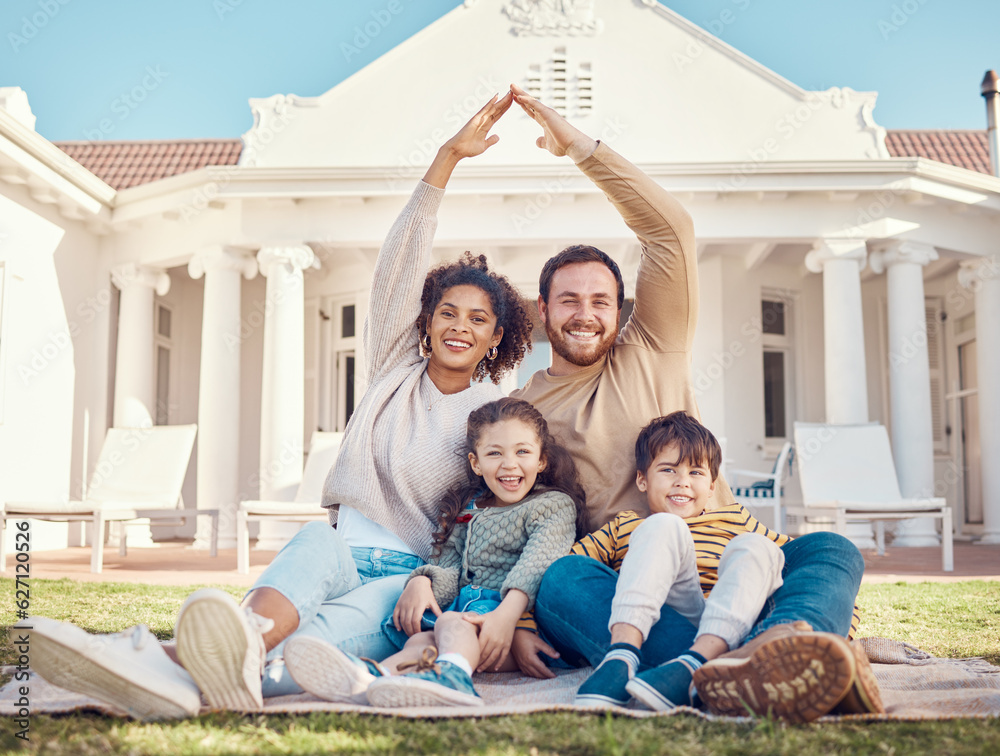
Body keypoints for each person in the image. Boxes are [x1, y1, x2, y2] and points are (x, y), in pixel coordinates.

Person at [25, 93, 535, 720]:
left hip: (404, 580)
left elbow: (494, 513)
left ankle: (151, 662)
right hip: (339, 547)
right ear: (425, 324)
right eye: (447, 313)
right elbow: (400, 265)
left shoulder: (495, 414)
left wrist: (440, 584)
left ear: (495, 336)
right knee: (301, 563)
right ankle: (192, 663)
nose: (460, 326)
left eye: (478, 320)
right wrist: (445, 161)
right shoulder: (392, 368)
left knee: (311, 647)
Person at [505, 83, 879, 721]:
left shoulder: (653, 345)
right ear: (544, 311)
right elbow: (513, 517)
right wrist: (516, 621)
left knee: (831, 550)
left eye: (601, 301)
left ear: (620, 311)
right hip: (632, 587)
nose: (586, 314)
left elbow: (670, 229)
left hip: (733, 563)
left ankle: (777, 644)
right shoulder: (524, 410)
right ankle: (766, 666)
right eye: (568, 300)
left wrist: (580, 148)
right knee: (565, 582)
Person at [571, 412, 880, 723]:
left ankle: (793, 641)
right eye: (668, 470)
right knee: (588, 563)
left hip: (740, 619)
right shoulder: (624, 526)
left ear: (711, 485)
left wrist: (830, 608)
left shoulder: (734, 518)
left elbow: (804, 568)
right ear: (642, 479)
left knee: (820, 547)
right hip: (664, 621)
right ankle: (639, 657)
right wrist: (526, 626)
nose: (683, 482)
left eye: (696, 472)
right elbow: (569, 572)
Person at [280, 397, 586, 707]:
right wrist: (422, 581)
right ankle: (370, 682)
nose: (509, 463)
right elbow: (449, 564)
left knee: (450, 625)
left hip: (517, 624)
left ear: (542, 460)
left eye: (523, 452)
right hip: (465, 619)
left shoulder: (552, 506)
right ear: (476, 463)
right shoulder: (469, 509)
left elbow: (539, 561)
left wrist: (507, 618)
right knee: (420, 640)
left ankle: (454, 678)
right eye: (495, 453)